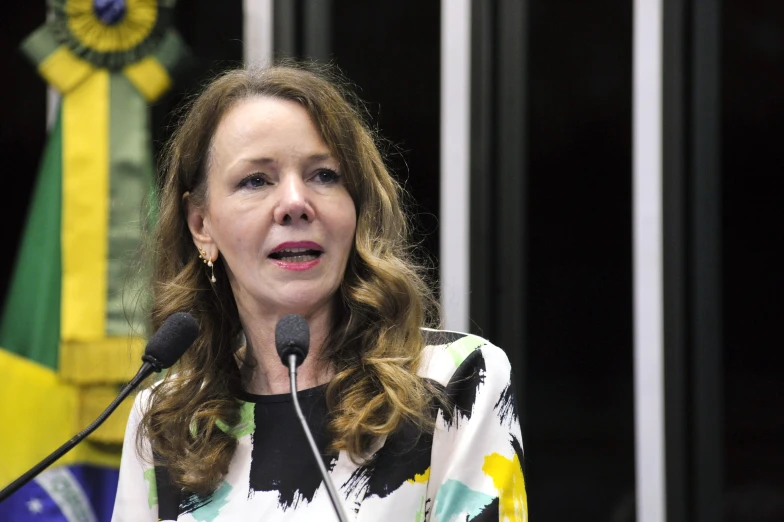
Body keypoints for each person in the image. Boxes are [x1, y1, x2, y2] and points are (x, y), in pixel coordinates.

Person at [112, 64, 528, 521]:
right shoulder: (170, 419)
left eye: (325, 175)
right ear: (201, 225)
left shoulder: (456, 380)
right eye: (256, 180)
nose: (295, 203)